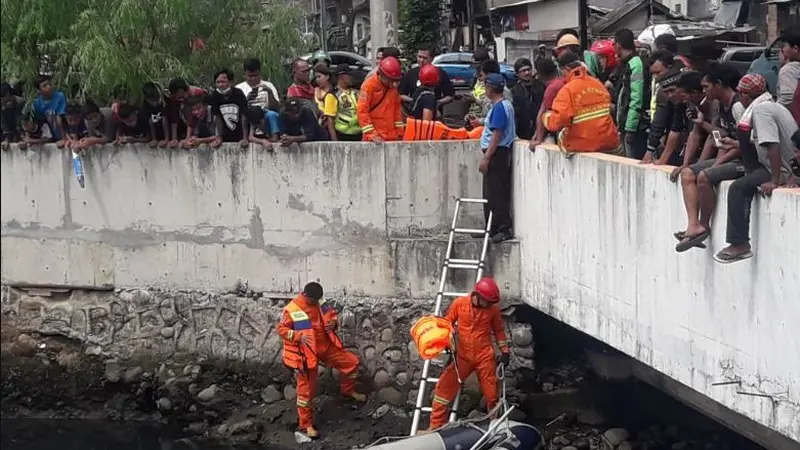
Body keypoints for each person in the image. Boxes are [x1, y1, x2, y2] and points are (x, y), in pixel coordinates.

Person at [716, 74, 799, 263]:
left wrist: (775, 180)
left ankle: (740, 244)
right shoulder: (771, 105)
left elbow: (772, 145)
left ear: (745, 96)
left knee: (737, 188)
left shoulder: (761, 110)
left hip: (781, 168)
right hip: (782, 165)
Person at [277, 282, 366, 439]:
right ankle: (306, 425)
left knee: (351, 363)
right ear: (306, 296)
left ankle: (348, 391)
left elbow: (330, 314)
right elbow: (281, 329)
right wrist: (297, 336)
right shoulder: (292, 309)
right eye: (314, 300)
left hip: (325, 346)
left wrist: (333, 322)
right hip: (305, 354)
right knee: (306, 392)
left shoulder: (320, 301)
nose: (317, 302)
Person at [675, 63, 746, 252]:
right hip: (729, 155)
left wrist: (718, 163)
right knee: (688, 173)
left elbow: (744, 145)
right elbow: (718, 136)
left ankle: (703, 225)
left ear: (719, 84)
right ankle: (693, 224)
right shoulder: (721, 106)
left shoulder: (737, 107)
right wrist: (702, 123)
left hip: (744, 160)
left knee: (704, 176)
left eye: (706, 86)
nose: (704, 90)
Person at [423, 278, 510, 432]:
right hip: (463, 357)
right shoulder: (459, 304)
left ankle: (496, 426)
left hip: (484, 356)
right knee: (443, 389)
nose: (490, 305)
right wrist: (446, 341)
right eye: (488, 302)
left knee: (492, 395)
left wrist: (504, 351)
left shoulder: (493, 310)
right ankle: (435, 426)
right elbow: (447, 323)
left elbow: (499, 331)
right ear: (478, 296)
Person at [543, 52, 620, 155]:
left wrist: (545, 117)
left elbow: (558, 121)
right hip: (609, 142)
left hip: (582, 145)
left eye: (561, 72)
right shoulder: (597, 83)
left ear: (567, 70)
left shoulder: (567, 91)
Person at [476, 73, 515, 242]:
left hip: (497, 153)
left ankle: (502, 228)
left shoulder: (500, 107)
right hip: (498, 152)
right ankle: (491, 228)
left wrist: (487, 157)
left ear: (490, 88)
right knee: (491, 193)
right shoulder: (504, 105)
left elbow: (497, 134)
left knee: (496, 192)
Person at [668, 71, 720, 182]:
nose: (683, 100)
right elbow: (695, 134)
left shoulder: (714, 103)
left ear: (695, 93)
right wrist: (685, 164)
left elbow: (714, 136)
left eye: (683, 96)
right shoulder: (692, 103)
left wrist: (698, 166)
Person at [613, 28, 650, 160]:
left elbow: (636, 98)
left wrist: (630, 128)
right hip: (626, 125)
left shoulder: (635, 65)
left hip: (635, 127)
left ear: (618, 45)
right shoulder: (626, 64)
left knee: (633, 162)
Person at [643, 51, 683, 165]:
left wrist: (650, 150)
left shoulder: (669, 87)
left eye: (658, 72)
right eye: (653, 74)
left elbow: (660, 122)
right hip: (670, 137)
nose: (656, 77)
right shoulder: (662, 87)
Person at [357, 56, 404, 143]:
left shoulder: (393, 88)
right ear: (382, 75)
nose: (393, 83)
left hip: (392, 138)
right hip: (374, 139)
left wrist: (400, 133)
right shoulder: (368, 86)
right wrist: (371, 134)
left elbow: (397, 112)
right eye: (390, 80)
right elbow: (362, 111)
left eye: (394, 80)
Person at [399, 43, 455, 110]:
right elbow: (401, 94)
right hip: (414, 115)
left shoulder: (440, 73)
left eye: (425, 58)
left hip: (434, 114)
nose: (421, 60)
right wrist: (415, 101)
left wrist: (436, 102)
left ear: (432, 58)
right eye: (419, 57)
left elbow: (450, 96)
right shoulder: (411, 73)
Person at [210, 68, 249, 147]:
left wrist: (245, 138)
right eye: (218, 82)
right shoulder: (215, 95)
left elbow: (244, 115)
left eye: (223, 82)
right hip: (226, 134)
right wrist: (219, 137)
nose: (220, 85)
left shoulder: (238, 94)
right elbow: (217, 117)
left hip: (240, 133)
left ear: (231, 82)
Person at [529, 58, 563, 149]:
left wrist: (538, 139)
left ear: (539, 75)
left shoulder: (552, 89)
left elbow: (543, 113)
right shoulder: (564, 82)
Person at [466, 60, 513, 125]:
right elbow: (487, 104)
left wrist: (480, 121)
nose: (481, 78)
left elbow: (500, 119)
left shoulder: (503, 92)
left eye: (482, 75)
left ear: (489, 74)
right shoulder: (490, 88)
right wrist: (475, 100)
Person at [510, 58, 545, 140]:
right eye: (523, 71)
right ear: (517, 74)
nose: (527, 73)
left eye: (528, 69)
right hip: (521, 133)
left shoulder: (541, 86)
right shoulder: (514, 90)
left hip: (541, 131)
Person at [166, 78, 206, 147]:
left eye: (183, 96)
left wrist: (189, 138)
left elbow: (195, 115)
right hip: (186, 120)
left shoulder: (197, 93)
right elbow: (174, 118)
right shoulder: (173, 98)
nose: (181, 99)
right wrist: (174, 138)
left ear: (187, 90)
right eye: (178, 98)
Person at [32, 75, 67, 144]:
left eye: (50, 84)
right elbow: (41, 122)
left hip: (63, 132)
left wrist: (63, 138)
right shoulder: (36, 103)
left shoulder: (60, 96)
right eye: (44, 86)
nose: (49, 87)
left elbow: (60, 117)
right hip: (49, 133)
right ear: (39, 90)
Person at [333, 64, 362, 141]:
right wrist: (334, 140)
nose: (352, 78)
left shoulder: (354, 92)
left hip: (357, 132)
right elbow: (330, 119)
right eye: (349, 75)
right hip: (342, 134)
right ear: (341, 77)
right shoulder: (334, 94)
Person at [778, 29, 800, 118]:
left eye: (785, 46)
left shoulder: (788, 69)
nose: (783, 49)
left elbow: (788, 98)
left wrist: (773, 108)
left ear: (795, 48)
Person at [314, 64, 339, 141]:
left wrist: (334, 140)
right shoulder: (315, 91)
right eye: (316, 77)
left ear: (327, 77)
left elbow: (330, 120)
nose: (317, 80)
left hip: (330, 130)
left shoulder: (334, 93)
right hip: (317, 129)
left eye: (319, 77)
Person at [141, 82, 170, 148]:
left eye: (156, 99)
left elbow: (166, 116)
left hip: (165, 125)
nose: (155, 102)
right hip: (155, 125)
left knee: (164, 118)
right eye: (152, 100)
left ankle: (166, 138)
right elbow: (148, 120)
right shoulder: (145, 105)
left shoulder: (165, 101)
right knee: (150, 120)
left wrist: (167, 139)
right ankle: (154, 139)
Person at [1, 82, 23, 148]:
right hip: (11, 135)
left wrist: (23, 139)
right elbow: (4, 125)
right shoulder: (3, 108)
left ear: (8, 94)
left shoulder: (21, 103)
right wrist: (6, 140)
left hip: (26, 136)